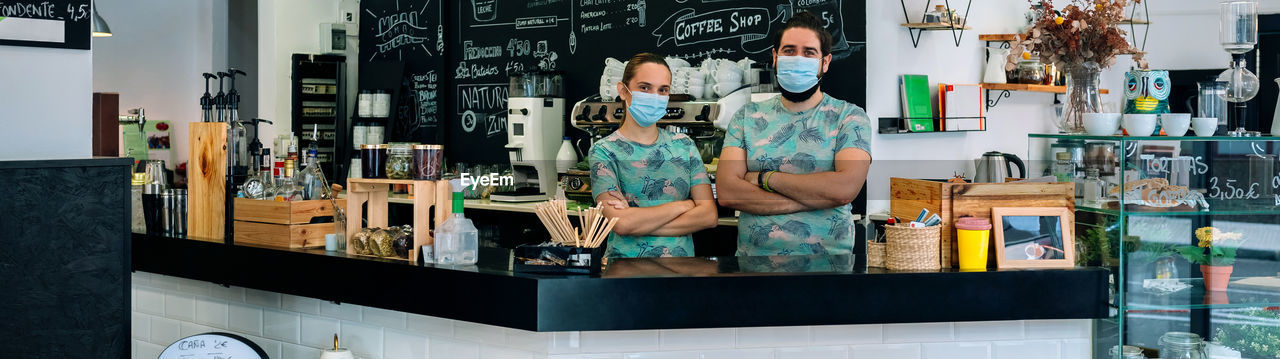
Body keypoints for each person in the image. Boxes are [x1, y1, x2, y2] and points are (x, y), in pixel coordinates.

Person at [716, 12, 872, 256]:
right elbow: (727, 191)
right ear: (775, 57)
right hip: (753, 268)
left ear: (826, 61)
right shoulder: (746, 116)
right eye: (789, 51)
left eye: (809, 52)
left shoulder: (849, 117)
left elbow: (844, 188)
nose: (798, 58)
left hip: (829, 269)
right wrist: (815, 198)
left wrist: (764, 179)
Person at [588, 53, 719, 258]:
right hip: (625, 274)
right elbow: (620, 223)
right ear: (623, 91)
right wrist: (684, 205)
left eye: (663, 90)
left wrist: (637, 221)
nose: (654, 96)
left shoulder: (684, 146)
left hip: (680, 272)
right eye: (645, 87)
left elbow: (709, 216)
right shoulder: (604, 151)